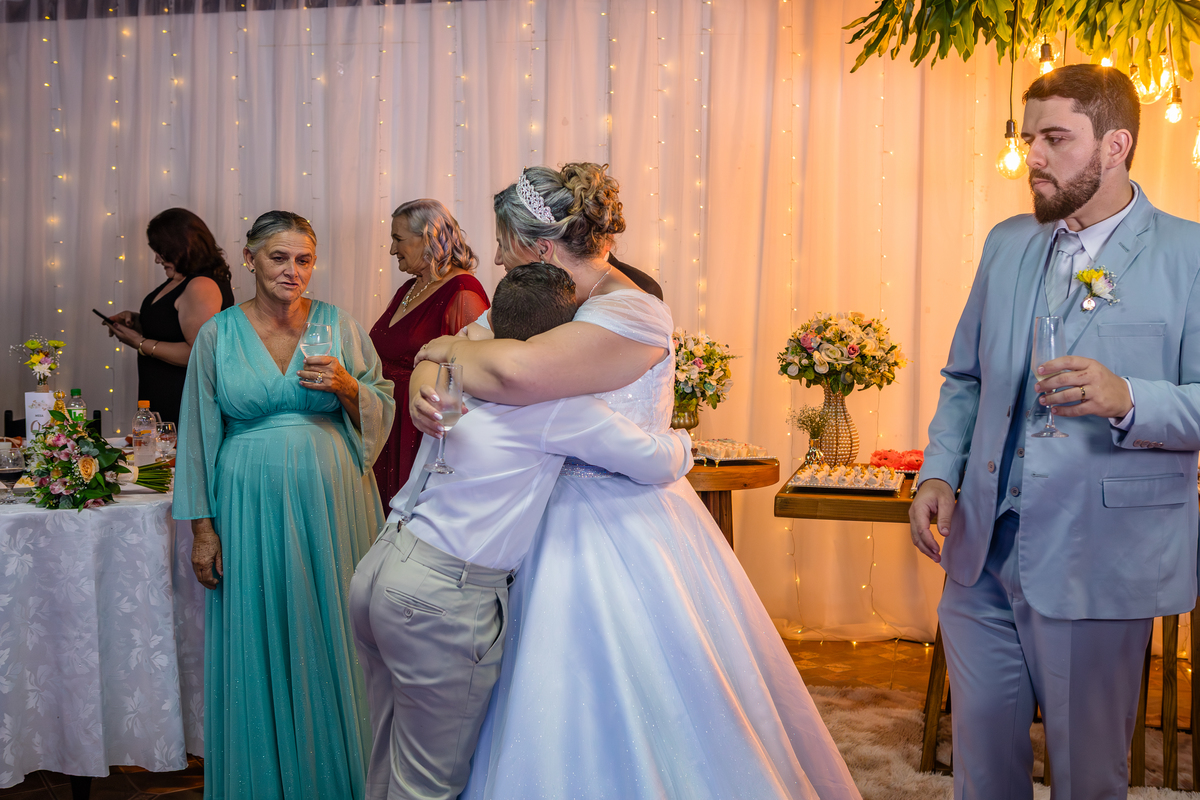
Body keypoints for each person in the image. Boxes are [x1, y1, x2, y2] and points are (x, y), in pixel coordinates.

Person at [410, 163, 860, 799]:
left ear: (542, 248)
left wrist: (441, 357)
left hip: (622, 519)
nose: (500, 261)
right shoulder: (537, 299)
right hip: (528, 513)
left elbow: (516, 375)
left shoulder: (634, 310)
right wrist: (426, 375)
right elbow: (465, 347)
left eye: (506, 247)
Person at [909, 64, 1200, 798]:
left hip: (1099, 556)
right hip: (981, 551)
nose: (1033, 156)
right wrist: (939, 469)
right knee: (981, 773)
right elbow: (966, 376)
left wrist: (1128, 397)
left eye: (1056, 138)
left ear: (1115, 145)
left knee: (1086, 779)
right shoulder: (1007, 242)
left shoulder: (1190, 255)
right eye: (1029, 137)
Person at [350, 262, 694, 800]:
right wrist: (684, 441)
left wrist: (437, 358)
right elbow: (653, 460)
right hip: (440, 596)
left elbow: (433, 355)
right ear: (562, 335)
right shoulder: (557, 405)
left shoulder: (454, 372)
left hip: (381, 566)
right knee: (427, 784)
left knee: (386, 757)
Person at [174, 210, 395, 800]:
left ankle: (344, 780)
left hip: (333, 503)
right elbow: (197, 436)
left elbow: (382, 405)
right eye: (278, 258)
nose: (292, 271)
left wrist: (348, 386)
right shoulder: (218, 335)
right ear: (250, 259)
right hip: (247, 506)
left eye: (304, 259)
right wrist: (203, 530)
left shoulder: (340, 325)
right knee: (261, 633)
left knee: (336, 632)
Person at [369, 199, 489, 502]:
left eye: (398, 239)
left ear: (428, 239)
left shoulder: (463, 291)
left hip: (419, 429)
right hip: (387, 422)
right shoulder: (408, 288)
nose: (392, 250)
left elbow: (473, 370)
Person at [103, 208, 236, 424]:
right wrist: (136, 321)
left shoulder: (201, 285)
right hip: (162, 397)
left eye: (162, 251)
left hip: (183, 401)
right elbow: (172, 326)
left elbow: (198, 352)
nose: (157, 259)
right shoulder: (181, 278)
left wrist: (140, 343)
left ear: (184, 246)